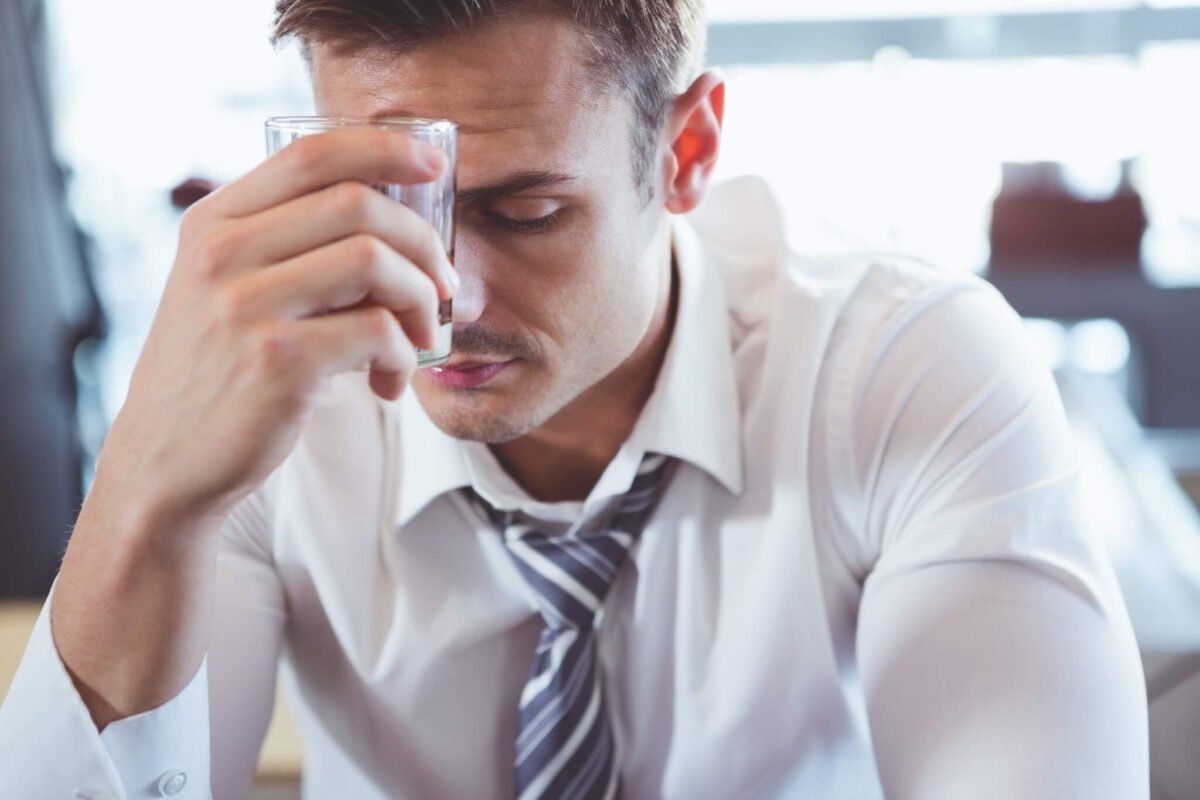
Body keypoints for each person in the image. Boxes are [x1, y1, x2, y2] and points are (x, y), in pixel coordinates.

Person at [0, 1, 1149, 798]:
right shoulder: (287, 401)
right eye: (392, 201)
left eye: (524, 212)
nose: (441, 294)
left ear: (686, 151)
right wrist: (146, 485)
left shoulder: (903, 375)